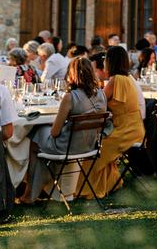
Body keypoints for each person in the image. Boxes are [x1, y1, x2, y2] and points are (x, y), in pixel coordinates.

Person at [21, 56, 107, 203]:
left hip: (68, 148)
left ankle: (30, 191)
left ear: (71, 74)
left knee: (35, 135)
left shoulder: (70, 97)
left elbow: (55, 133)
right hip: (90, 146)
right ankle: (39, 190)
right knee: (41, 147)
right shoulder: (101, 93)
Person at [84, 46, 144, 199]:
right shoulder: (127, 79)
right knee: (99, 144)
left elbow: (96, 104)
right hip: (134, 128)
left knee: (95, 148)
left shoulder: (115, 80)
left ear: (110, 62)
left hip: (125, 131)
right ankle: (109, 182)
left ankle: (88, 187)